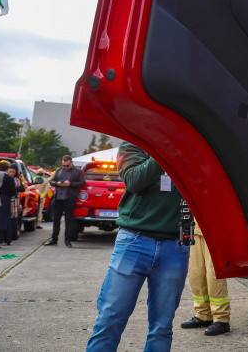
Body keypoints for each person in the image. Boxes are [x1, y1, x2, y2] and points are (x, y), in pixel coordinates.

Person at [86, 142, 190, 352]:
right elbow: (134, 181)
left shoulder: (191, 147)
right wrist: (166, 149)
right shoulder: (134, 143)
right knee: (110, 319)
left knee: (162, 326)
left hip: (175, 246)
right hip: (134, 242)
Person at [180, 220, 231, 336]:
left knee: (213, 275)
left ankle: (221, 319)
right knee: (196, 274)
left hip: (214, 229)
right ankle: (203, 315)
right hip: (194, 228)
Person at [45, 155, 84, 247]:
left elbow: (82, 183)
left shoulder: (78, 171)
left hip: (70, 198)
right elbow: (52, 181)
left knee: (68, 220)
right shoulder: (59, 170)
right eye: (64, 165)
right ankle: (54, 239)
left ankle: (67, 240)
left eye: (67, 165)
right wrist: (57, 183)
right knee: (56, 219)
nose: (65, 167)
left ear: (71, 163)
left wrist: (70, 184)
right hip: (58, 198)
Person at [0, 161, 16, 247]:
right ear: (7, 168)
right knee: (2, 220)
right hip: (5, 200)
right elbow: (12, 191)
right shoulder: (8, 178)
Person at [10, 164, 25, 240]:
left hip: (15, 201)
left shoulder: (18, 180)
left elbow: (22, 189)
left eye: (13, 172)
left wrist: (16, 189)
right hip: (9, 201)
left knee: (15, 218)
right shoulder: (6, 178)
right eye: (10, 172)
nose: (12, 173)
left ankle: (14, 234)